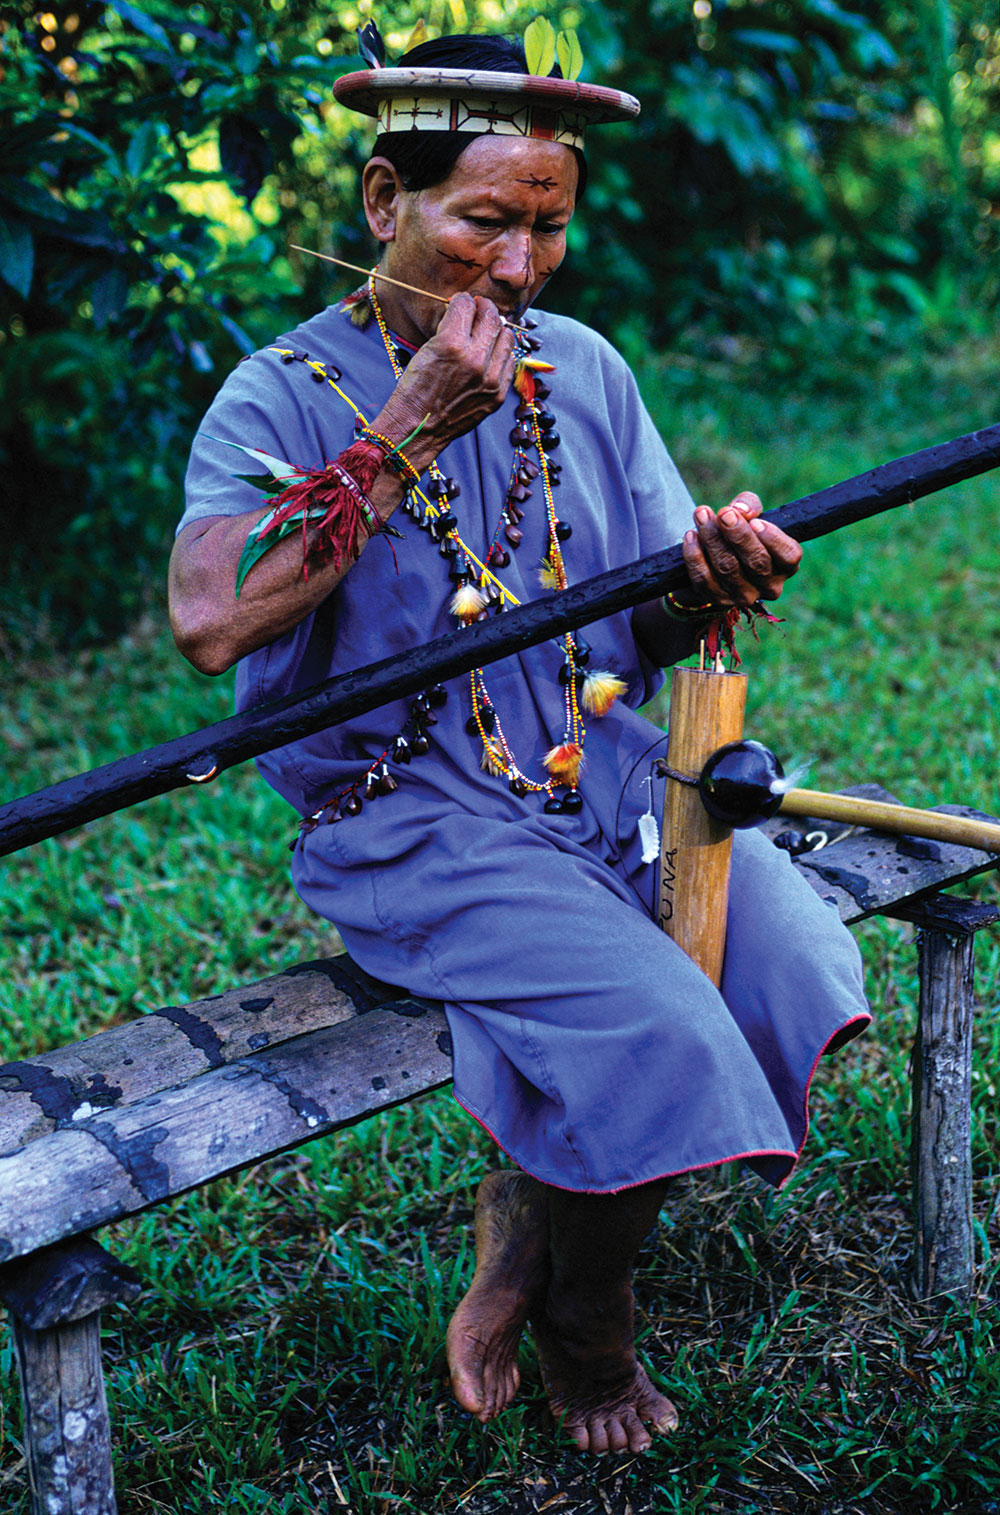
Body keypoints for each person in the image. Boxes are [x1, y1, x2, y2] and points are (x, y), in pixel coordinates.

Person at [169, 29, 870, 1456]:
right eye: (482, 219)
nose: (518, 266)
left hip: (600, 774)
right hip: (413, 823)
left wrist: (705, 583)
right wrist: (409, 428)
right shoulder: (284, 393)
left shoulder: (586, 369)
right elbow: (210, 621)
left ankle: (531, 1217)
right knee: (660, 1029)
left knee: (797, 960)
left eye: (547, 225)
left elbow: (645, 624)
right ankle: (584, 1326)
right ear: (384, 202)